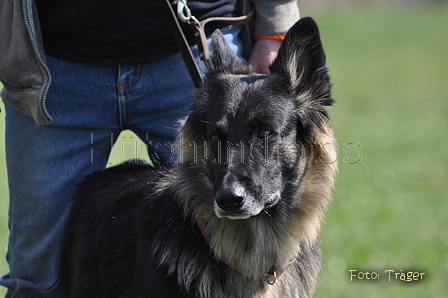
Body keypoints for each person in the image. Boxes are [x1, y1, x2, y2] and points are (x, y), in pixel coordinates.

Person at [0, 0, 300, 297]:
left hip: (193, 51)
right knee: (36, 279)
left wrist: (275, 26)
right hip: (51, 67)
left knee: (261, 261)